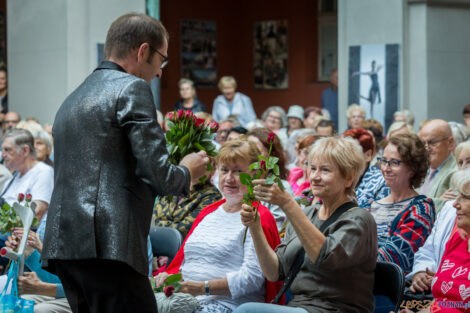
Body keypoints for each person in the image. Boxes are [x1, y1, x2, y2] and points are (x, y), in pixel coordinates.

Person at [41, 13, 209, 313]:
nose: (160, 72)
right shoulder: (131, 87)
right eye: (162, 60)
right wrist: (187, 171)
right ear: (143, 51)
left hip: (65, 243)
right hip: (107, 242)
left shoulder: (73, 97)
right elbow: (157, 173)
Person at [235, 136, 378, 313]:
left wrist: (288, 204)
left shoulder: (360, 219)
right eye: (312, 168)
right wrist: (255, 228)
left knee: (246, 311)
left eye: (325, 170)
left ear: (349, 177)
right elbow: (273, 272)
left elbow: (324, 258)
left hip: (335, 309)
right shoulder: (308, 213)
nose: (315, 176)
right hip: (299, 308)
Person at [154, 140, 281, 312]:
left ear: (254, 174)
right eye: (224, 170)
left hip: (229, 305)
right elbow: (184, 262)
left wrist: (201, 288)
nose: (229, 178)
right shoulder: (209, 212)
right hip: (185, 299)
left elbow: (252, 278)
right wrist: (169, 277)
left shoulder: (257, 216)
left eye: (238, 171)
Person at [398, 168, 470, 313]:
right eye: (457, 196)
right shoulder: (457, 239)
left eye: (464, 197)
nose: (455, 204)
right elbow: (444, 304)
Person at [407, 141, 470, 294]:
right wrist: (421, 273)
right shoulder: (450, 208)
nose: (463, 168)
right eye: (460, 163)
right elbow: (428, 250)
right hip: (438, 296)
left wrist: (446, 281)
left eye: (469, 162)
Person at [372, 134, 435, 273]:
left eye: (394, 163)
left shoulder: (421, 209)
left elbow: (393, 258)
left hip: (387, 288)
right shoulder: (372, 204)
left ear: (412, 169)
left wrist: (347, 262)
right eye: (383, 161)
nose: (386, 168)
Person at [153, 160, 222, 238]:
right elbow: (152, 221)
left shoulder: (212, 195)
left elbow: (185, 230)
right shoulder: (171, 186)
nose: (201, 166)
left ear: (213, 170)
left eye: (207, 163)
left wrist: (158, 228)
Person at [246, 128, 293, 228]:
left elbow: (277, 229)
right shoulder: (240, 182)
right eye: (248, 150)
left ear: (272, 156)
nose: (250, 156)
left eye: (256, 151)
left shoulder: (281, 187)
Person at [343, 128, 389, 209]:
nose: (346, 157)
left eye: (352, 152)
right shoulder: (336, 177)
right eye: (342, 152)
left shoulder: (381, 182)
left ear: (368, 155)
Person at [418, 119, 458, 212]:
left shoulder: (457, 173)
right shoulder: (419, 169)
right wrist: (438, 201)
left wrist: (418, 203)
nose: (427, 148)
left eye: (432, 142)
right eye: (423, 143)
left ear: (450, 143)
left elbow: (450, 210)